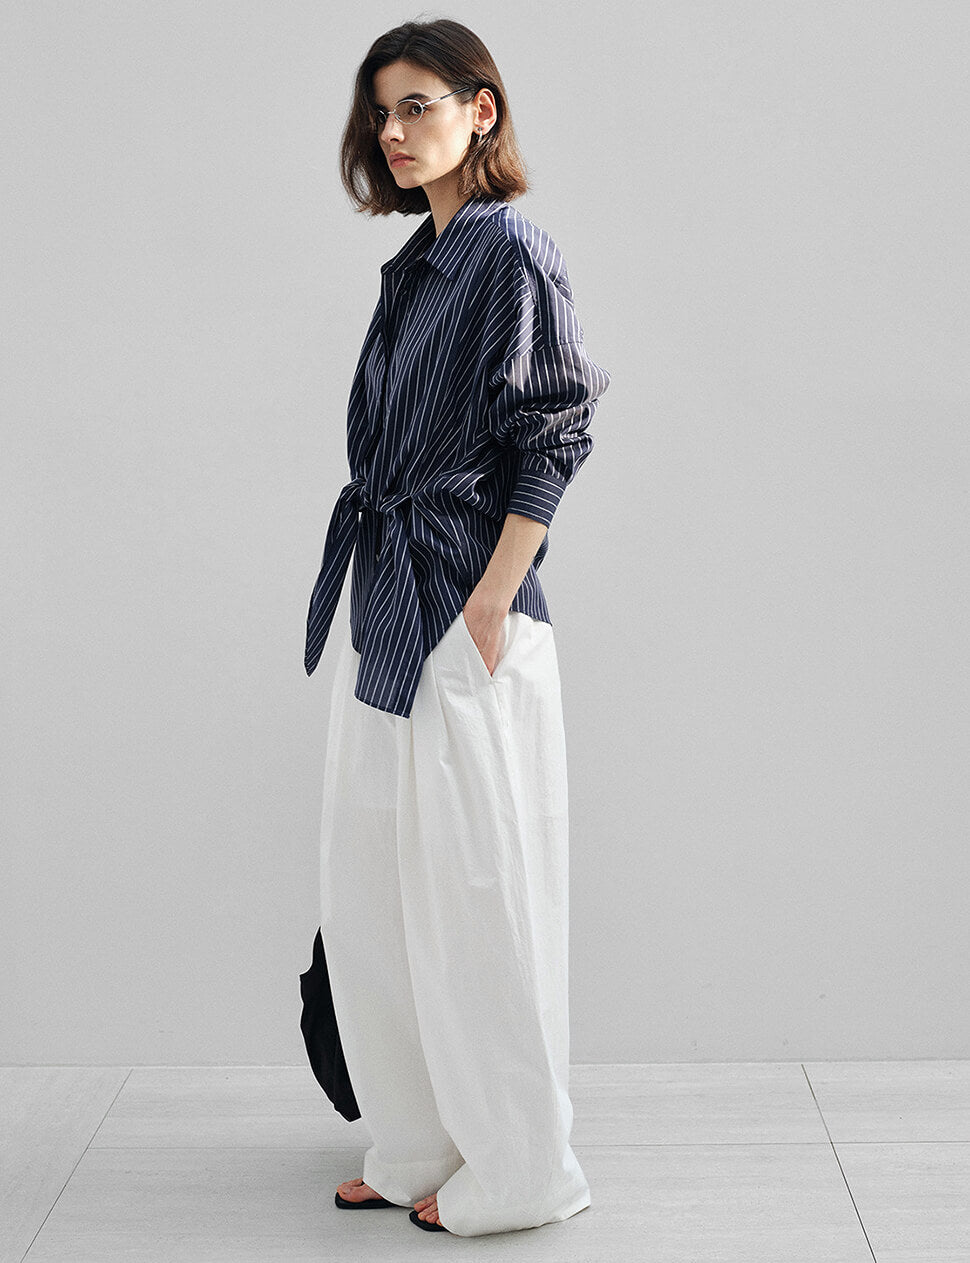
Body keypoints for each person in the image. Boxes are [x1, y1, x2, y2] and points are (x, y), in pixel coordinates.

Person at [303, 17, 611, 1239]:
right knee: (375, 892)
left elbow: (556, 429)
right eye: (381, 112)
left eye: (418, 105)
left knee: (476, 904)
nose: (393, 131)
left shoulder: (508, 252)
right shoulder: (416, 264)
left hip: (459, 609)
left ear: (481, 110)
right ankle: (416, 1141)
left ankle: (525, 1169)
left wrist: (490, 599)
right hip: (387, 604)